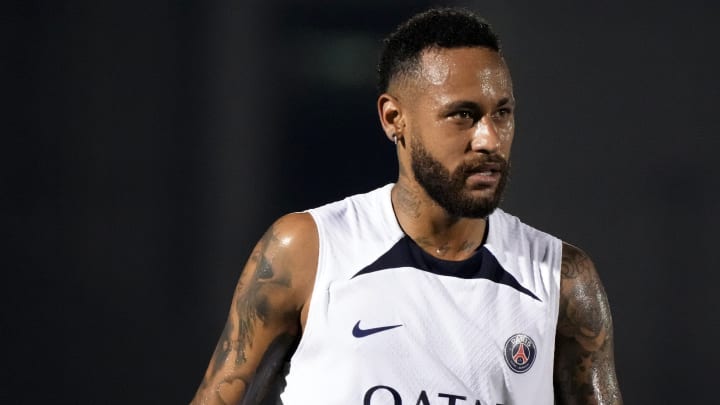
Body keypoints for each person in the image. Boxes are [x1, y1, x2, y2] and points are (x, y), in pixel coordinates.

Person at [191, 7, 622, 405]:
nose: (489, 139)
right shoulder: (307, 251)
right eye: (463, 115)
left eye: (502, 113)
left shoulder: (561, 280)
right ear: (394, 119)